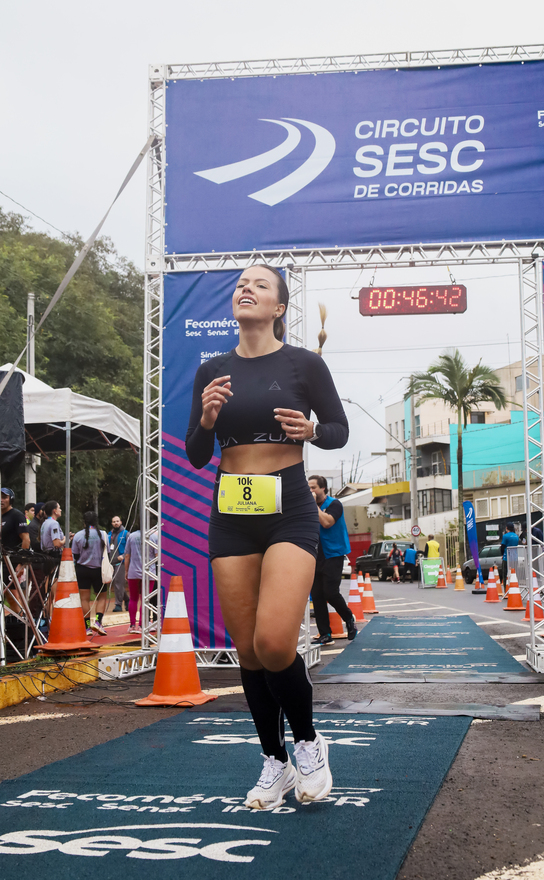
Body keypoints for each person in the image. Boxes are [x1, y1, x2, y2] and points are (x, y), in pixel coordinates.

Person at [185, 264, 348, 811]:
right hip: (231, 511)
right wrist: (207, 420)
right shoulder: (213, 369)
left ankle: (310, 745)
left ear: (279, 306)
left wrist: (313, 432)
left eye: (259, 284)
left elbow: (338, 429)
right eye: (240, 284)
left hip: (289, 507)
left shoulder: (304, 364)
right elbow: (196, 454)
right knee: (249, 652)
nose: (245, 289)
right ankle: (273, 762)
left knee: (276, 642)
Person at [307, 475, 357, 646]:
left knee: (330, 592)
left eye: (313, 487)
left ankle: (349, 618)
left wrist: (313, 506)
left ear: (323, 489)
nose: (310, 491)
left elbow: (327, 522)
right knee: (317, 595)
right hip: (315, 555)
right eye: (309, 488)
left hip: (333, 554)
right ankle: (325, 633)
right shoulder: (308, 506)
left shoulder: (335, 504)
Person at [71, 512, 109, 636]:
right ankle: (98, 622)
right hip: (98, 570)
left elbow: (75, 555)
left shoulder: (78, 535)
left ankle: (87, 627)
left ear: (84, 522)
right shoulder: (103, 534)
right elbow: (107, 552)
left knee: (84, 599)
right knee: (102, 597)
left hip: (82, 570)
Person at [124, 528, 147, 634]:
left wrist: (126, 570)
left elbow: (127, 555)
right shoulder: (153, 536)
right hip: (148, 572)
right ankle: (142, 625)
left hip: (133, 571)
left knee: (133, 598)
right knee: (145, 599)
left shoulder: (131, 536)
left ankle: (132, 625)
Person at [108, 515, 129, 612]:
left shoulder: (126, 534)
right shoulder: (110, 534)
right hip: (111, 561)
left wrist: (124, 556)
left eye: (117, 521)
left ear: (121, 522)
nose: (116, 523)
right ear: (112, 523)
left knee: (118, 582)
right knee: (116, 583)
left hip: (121, 562)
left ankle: (118, 604)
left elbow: (130, 547)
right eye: (114, 521)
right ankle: (126, 599)